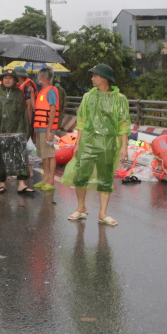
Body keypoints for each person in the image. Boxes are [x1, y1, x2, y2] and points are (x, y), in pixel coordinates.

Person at [61, 64, 130, 226]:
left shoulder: (119, 99)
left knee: (105, 178)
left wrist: (124, 147)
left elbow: (123, 124)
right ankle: (80, 207)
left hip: (108, 143)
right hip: (88, 142)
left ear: (103, 78)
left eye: (95, 76)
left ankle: (103, 213)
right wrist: (77, 143)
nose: (92, 78)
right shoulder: (88, 97)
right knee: (80, 176)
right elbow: (82, 122)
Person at [0, 69, 33, 194]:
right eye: (5, 78)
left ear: (15, 80)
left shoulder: (19, 94)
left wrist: (26, 129)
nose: (8, 80)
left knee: (20, 157)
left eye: (10, 78)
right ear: (2, 79)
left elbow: (23, 113)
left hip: (17, 131)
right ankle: (2, 183)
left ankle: (21, 184)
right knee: (1, 158)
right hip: (0, 131)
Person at [32, 67, 59, 191]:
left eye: (38, 76)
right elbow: (34, 108)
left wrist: (49, 130)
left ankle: (51, 181)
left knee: (49, 154)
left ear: (43, 78)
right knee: (43, 155)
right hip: (39, 128)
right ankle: (45, 179)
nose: (37, 79)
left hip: (47, 129)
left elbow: (53, 111)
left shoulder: (51, 91)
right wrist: (32, 93)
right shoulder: (41, 92)